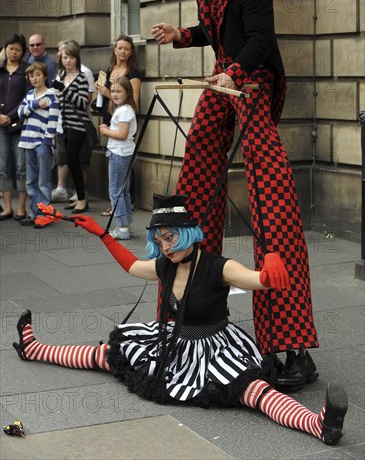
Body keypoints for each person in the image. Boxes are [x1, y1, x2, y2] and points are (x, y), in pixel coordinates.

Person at [12, 194, 347, 447]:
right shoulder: (166, 265)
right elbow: (132, 267)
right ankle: (34, 348)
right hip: (175, 341)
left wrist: (269, 276)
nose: (165, 247)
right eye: (159, 241)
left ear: (187, 233)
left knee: (253, 391)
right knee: (106, 353)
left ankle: (318, 424)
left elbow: (252, 278)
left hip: (215, 347)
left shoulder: (217, 266)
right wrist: (103, 236)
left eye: (170, 238)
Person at [151, 0, 318, 390]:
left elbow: (261, 39)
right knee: (197, 169)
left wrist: (236, 73)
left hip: (253, 83)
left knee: (271, 200)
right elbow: (213, 30)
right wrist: (180, 35)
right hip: (221, 81)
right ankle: (189, 315)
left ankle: (295, 350)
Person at [94, 34, 142, 216]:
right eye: (120, 47)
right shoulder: (108, 70)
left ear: (131, 52)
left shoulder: (134, 74)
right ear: (114, 50)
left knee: (121, 171)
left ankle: (123, 211)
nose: (122, 51)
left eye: (126, 48)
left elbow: (134, 103)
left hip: (123, 122)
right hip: (110, 118)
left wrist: (107, 93)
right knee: (114, 170)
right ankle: (117, 207)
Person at [51, 39, 96, 204]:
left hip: (78, 125)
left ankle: (82, 198)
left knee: (73, 160)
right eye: (64, 57)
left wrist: (64, 91)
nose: (67, 60)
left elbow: (83, 102)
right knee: (70, 160)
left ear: (76, 58)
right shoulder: (62, 76)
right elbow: (61, 99)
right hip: (64, 125)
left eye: (70, 57)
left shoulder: (82, 77)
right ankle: (80, 198)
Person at [17, 62, 59, 228]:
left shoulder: (51, 96)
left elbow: (53, 120)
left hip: (42, 143)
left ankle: (44, 214)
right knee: (31, 181)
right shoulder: (29, 95)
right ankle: (34, 212)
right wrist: (35, 104)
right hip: (27, 141)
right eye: (31, 76)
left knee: (43, 181)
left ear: (45, 76)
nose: (34, 78)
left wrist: (47, 141)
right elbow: (20, 113)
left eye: (38, 75)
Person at [99, 76, 137, 240]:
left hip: (120, 153)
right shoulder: (124, 109)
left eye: (118, 91)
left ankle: (122, 228)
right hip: (123, 153)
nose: (114, 94)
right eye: (112, 91)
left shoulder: (124, 111)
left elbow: (122, 134)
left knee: (116, 192)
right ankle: (125, 225)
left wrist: (106, 131)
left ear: (127, 92)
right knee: (123, 191)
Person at [0, 33, 30, 221]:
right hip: (0, 124)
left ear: (23, 52)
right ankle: (7, 207)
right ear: (5, 49)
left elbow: (28, 98)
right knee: (3, 164)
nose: (14, 52)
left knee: (21, 164)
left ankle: (21, 208)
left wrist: (9, 116)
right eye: (11, 48)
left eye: (18, 49)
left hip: (19, 124)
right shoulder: (0, 69)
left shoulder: (27, 70)